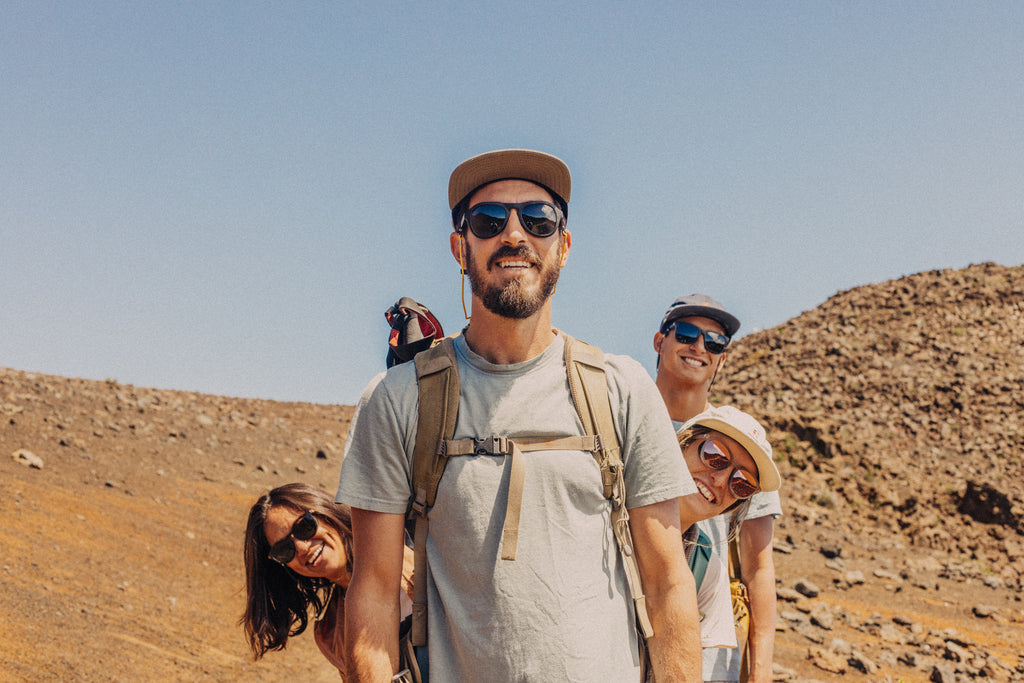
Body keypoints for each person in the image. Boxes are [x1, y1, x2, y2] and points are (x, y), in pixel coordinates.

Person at [336, 149, 701, 681]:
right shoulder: (397, 400)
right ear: (461, 248)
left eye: (538, 220)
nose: (514, 235)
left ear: (564, 246)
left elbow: (669, 584)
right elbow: (372, 590)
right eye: (488, 221)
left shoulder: (622, 388)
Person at [653, 294, 783, 683]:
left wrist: (758, 673)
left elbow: (758, 567)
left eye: (714, 343)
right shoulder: (622, 418)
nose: (699, 348)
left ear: (722, 359)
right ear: (660, 341)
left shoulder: (746, 445)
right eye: (688, 334)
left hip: (710, 651)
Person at [240, 483, 414, 677]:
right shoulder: (333, 637)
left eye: (304, 527)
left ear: (324, 513)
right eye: (284, 550)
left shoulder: (417, 544)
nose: (302, 547)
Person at [674, 405, 782, 663]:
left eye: (741, 483)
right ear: (683, 443)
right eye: (715, 455)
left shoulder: (705, 570)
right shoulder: (604, 513)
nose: (721, 480)